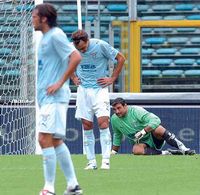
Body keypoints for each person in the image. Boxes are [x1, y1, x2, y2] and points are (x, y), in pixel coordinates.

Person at [32, 3, 83, 195]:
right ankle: (73, 185)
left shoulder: (56, 35)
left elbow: (76, 56)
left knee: (43, 139)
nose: (32, 19)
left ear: (44, 18)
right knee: (54, 141)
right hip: (47, 97)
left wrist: (60, 82)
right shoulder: (45, 38)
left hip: (54, 97)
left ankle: (48, 188)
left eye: (35, 16)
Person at [71, 30, 125, 170]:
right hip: (83, 91)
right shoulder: (72, 49)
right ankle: (91, 161)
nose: (81, 50)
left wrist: (112, 78)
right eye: (79, 49)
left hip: (99, 89)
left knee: (103, 123)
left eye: (83, 48)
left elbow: (121, 58)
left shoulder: (101, 45)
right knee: (87, 126)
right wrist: (73, 77)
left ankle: (105, 160)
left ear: (87, 40)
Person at [111, 97, 196, 155]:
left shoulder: (136, 111)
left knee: (158, 128)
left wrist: (143, 132)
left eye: (119, 108)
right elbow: (117, 135)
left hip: (153, 137)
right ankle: (167, 153)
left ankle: (184, 149)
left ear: (125, 106)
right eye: (114, 109)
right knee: (136, 151)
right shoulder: (114, 119)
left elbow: (156, 120)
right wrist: (114, 152)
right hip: (140, 143)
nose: (117, 111)